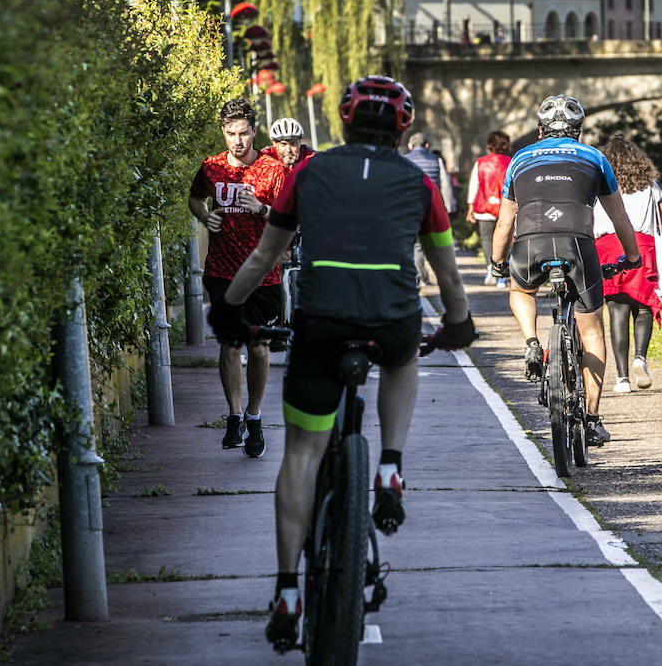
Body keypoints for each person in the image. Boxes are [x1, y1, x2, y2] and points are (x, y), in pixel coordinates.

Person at [208, 75, 477, 650]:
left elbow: (265, 254)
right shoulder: (416, 181)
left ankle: (286, 592)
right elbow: (449, 274)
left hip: (322, 321)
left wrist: (229, 311)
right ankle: (389, 466)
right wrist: (459, 322)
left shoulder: (307, 173)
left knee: (303, 452)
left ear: (345, 121)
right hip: (390, 318)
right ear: (401, 127)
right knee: (405, 359)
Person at [489, 94, 642, 447]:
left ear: (541, 129)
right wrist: (632, 258)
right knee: (591, 333)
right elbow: (621, 220)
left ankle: (531, 341)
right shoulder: (595, 157)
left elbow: (504, 223)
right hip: (578, 245)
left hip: (530, 244)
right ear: (578, 129)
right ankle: (591, 418)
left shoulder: (519, 159)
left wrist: (498, 263)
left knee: (521, 290)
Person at [187, 98, 286, 458]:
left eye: (243, 133)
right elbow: (196, 198)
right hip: (222, 270)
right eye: (230, 134)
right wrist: (204, 216)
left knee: (258, 348)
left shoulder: (273, 170)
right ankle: (233, 416)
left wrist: (261, 209)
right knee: (229, 344)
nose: (237, 141)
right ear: (223, 132)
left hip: (263, 273)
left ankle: (255, 417)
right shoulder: (211, 167)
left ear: (254, 130)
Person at [592, 132, 662, 393]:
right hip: (642, 246)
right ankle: (640, 358)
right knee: (645, 307)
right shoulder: (650, 185)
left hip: (609, 246)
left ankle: (622, 378)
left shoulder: (599, 182)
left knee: (617, 310)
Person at [405, 131, 455, 285]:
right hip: (431, 206)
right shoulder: (436, 160)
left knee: (415, 243)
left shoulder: (404, 161)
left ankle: (419, 276)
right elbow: (445, 184)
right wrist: (448, 206)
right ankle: (427, 274)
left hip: (410, 206)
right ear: (426, 146)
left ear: (409, 146)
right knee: (431, 241)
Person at [466, 130, 513, 287]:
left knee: (486, 239)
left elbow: (474, 185)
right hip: (506, 209)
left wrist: (470, 207)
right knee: (506, 239)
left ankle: (489, 269)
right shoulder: (511, 162)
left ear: (489, 145)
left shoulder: (481, 162)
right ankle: (501, 274)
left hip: (484, 208)